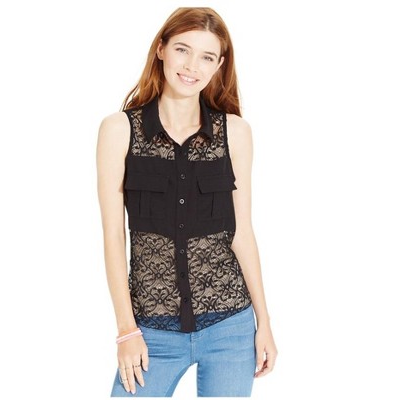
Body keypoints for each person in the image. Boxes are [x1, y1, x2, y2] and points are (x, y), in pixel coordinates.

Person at [96, 7, 278, 397]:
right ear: (161, 49)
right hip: (151, 332)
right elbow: (114, 237)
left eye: (207, 56)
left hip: (230, 326)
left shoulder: (236, 133)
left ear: (219, 65)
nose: (192, 66)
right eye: (182, 49)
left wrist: (264, 323)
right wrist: (126, 330)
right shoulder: (119, 130)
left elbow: (242, 233)